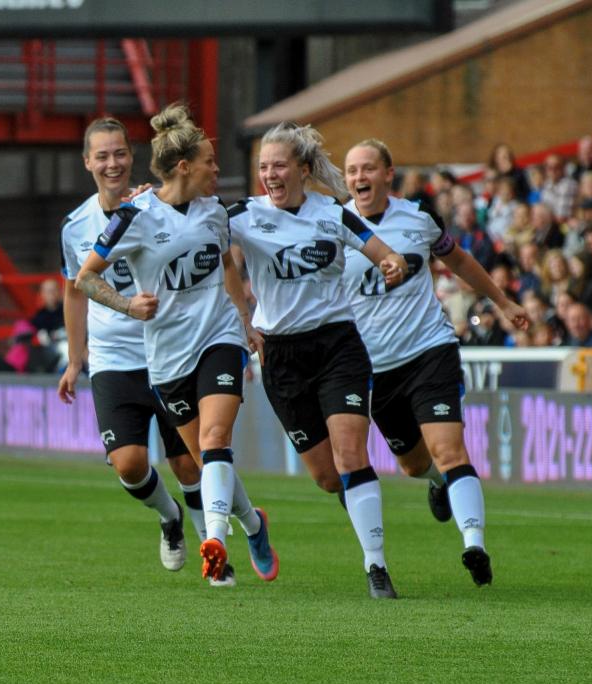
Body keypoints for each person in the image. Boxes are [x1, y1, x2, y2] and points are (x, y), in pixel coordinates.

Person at [76, 103, 279, 587]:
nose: (218, 169)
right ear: (185, 166)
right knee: (204, 460)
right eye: (210, 160)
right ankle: (252, 523)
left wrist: (245, 321)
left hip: (219, 337)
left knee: (214, 442)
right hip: (167, 355)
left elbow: (228, 268)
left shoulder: (216, 213)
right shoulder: (135, 216)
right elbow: (85, 278)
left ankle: (215, 543)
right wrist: (127, 306)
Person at [228, 122, 407, 598]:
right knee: (329, 478)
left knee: (352, 454)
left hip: (336, 345)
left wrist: (393, 262)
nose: (270, 173)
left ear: (303, 170)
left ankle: (376, 568)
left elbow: (383, 251)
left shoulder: (332, 213)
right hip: (281, 356)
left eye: (279, 164)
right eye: (263, 166)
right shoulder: (242, 215)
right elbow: (187, 223)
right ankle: (362, 523)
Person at [342, 139, 529, 587]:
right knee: (413, 463)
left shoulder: (419, 219)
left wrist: (501, 301)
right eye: (351, 171)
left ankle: (474, 543)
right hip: (374, 368)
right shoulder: (335, 225)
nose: (359, 177)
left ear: (389, 174)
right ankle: (436, 482)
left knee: (451, 451)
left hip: (430, 351)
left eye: (368, 168)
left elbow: (459, 260)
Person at [56, 116, 221, 582]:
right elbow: (75, 289)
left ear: (133, 156)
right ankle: (169, 518)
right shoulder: (75, 227)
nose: (113, 164)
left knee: (188, 462)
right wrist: (75, 358)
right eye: (102, 156)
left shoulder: (154, 206)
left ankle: (214, 553)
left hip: (169, 349)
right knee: (129, 465)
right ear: (87, 162)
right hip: (113, 358)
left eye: (120, 153)